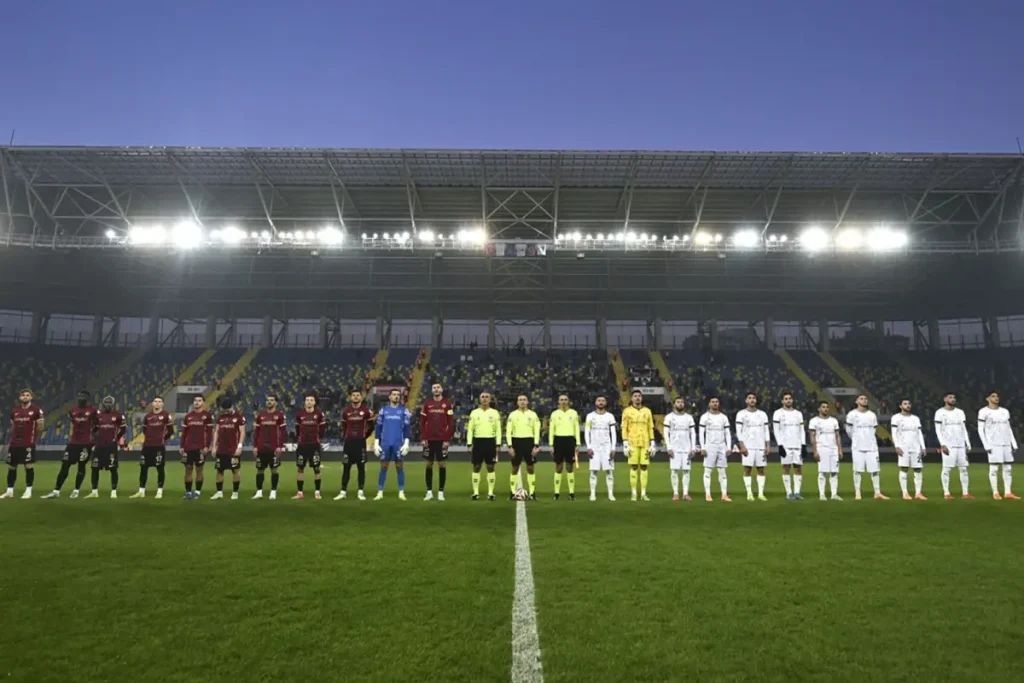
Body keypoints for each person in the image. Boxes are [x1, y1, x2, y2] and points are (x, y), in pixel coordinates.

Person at [43, 390, 97, 499]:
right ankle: (56, 491)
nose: (81, 398)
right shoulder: (72, 410)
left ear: (87, 398)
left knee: (81, 466)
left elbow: (97, 426)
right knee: (65, 465)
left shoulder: (93, 411)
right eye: (79, 396)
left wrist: (93, 441)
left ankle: (76, 490)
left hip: (86, 443)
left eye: (83, 396)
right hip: (73, 443)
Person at [130, 396, 174, 499]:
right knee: (143, 468)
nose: (157, 403)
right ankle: (141, 491)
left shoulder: (166, 416)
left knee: (160, 468)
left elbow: (170, 431)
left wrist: (163, 439)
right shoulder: (148, 416)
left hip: (159, 446)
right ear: (152, 404)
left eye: (159, 401)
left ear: (162, 404)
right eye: (155, 401)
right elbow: (145, 431)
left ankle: (159, 491)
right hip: (147, 446)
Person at [977, 391, 1019, 500]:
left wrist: (1013, 443)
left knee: (1008, 468)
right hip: (993, 444)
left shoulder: (1004, 411)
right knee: (994, 468)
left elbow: (1008, 428)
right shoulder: (983, 412)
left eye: (997, 396)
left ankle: (1008, 492)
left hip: (1005, 443)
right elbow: (980, 429)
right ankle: (995, 492)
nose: (996, 398)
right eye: (993, 396)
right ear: (987, 398)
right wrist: (986, 445)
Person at [845, 395, 888, 500]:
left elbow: (874, 430)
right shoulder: (852, 414)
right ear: (856, 401)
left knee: (875, 470)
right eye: (861, 398)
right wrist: (855, 438)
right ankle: (858, 492)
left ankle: (877, 492)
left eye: (865, 399)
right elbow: (848, 430)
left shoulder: (872, 415)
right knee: (857, 470)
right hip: (857, 446)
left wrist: (869, 439)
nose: (864, 400)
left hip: (871, 447)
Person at [3, 389, 44, 499]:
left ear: (31, 397)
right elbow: (13, 426)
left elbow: (40, 427)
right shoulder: (14, 411)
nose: (25, 397)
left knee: (28, 466)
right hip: (15, 443)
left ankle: (28, 490)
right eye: (23, 395)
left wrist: (34, 438)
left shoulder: (36, 411)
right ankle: (9, 491)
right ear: (20, 397)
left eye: (27, 395)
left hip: (27, 443)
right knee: (12, 467)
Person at [934, 392, 973, 500]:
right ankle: (946, 493)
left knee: (964, 469)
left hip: (960, 445)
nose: (953, 399)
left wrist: (967, 442)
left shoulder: (960, 412)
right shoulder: (939, 413)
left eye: (954, 398)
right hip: (948, 445)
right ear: (945, 399)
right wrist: (942, 444)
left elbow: (963, 428)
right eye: (950, 397)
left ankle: (965, 493)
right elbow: (938, 430)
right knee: (946, 469)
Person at [373, 389, 411, 501]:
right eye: (394, 395)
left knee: (399, 467)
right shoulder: (383, 411)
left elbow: (407, 428)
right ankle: (380, 492)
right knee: (383, 467)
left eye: (398, 395)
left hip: (398, 443)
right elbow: (378, 427)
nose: (396, 397)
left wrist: (407, 442)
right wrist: (376, 442)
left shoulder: (404, 411)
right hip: (385, 443)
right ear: (389, 397)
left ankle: (401, 492)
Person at [420, 383, 455, 501]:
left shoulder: (447, 404)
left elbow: (451, 423)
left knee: (441, 464)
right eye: (434, 387)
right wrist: (423, 438)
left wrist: (447, 439)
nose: (436, 389)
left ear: (442, 389)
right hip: (429, 439)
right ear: (431, 390)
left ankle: (441, 492)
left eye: (438, 387)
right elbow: (422, 422)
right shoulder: (427, 404)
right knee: (429, 464)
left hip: (441, 439)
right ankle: (429, 491)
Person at [336, 389, 373, 501]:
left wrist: (363, 437)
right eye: (354, 395)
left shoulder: (366, 411)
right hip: (349, 443)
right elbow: (343, 426)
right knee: (346, 467)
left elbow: (371, 427)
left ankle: (360, 491)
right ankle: (343, 491)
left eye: (358, 395)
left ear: (361, 397)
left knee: (361, 467)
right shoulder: (346, 411)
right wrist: (347, 436)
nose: (356, 397)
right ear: (350, 397)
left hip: (360, 443)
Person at [87, 397, 125, 499]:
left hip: (111, 446)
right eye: (106, 403)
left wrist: (116, 438)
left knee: (113, 469)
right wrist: (95, 440)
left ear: (113, 404)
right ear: (103, 404)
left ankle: (113, 492)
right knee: (95, 468)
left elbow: (123, 429)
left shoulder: (118, 416)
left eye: (110, 403)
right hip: (99, 446)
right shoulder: (98, 416)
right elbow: (93, 429)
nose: (108, 404)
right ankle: (94, 491)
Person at [736, 392, 771, 501]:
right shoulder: (741, 414)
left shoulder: (763, 414)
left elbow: (766, 430)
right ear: (746, 400)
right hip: (748, 446)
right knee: (747, 469)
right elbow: (738, 431)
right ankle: (749, 493)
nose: (752, 400)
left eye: (754, 398)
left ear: (756, 400)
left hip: (760, 446)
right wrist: (742, 446)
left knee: (761, 469)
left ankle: (760, 493)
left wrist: (768, 445)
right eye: (749, 398)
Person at [505, 394, 541, 500]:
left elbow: (536, 431)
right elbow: (508, 431)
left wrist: (536, 445)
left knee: (530, 467)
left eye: (524, 400)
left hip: (529, 442)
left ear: (528, 402)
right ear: (517, 402)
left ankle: (532, 493)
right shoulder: (512, 415)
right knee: (515, 467)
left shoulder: (533, 415)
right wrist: (510, 446)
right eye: (520, 400)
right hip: (516, 442)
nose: (522, 401)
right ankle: (512, 492)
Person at [252, 394, 287, 500]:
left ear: (276, 402)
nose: (269, 402)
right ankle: (259, 492)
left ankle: (273, 491)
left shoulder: (280, 415)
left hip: (273, 447)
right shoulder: (260, 415)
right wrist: (255, 446)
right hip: (262, 447)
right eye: (268, 400)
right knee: (260, 470)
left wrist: (280, 446)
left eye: (272, 400)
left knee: (274, 470)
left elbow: (283, 432)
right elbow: (256, 432)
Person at [621, 390, 655, 501]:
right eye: (635, 396)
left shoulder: (647, 411)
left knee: (644, 467)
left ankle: (644, 493)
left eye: (639, 396)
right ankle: (634, 493)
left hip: (645, 443)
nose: (637, 398)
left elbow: (650, 427)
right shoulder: (627, 411)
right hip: (632, 443)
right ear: (631, 398)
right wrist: (625, 442)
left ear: (642, 398)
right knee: (634, 466)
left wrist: (652, 442)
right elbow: (624, 428)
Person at [467, 391, 501, 501]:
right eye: (483, 397)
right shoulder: (474, 413)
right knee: (476, 466)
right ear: (479, 399)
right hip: (478, 442)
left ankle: (490, 493)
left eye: (487, 397)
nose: (485, 399)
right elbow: (470, 429)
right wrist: (469, 443)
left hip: (490, 442)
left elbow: (498, 429)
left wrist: (498, 444)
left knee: (490, 467)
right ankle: (476, 492)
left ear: (490, 399)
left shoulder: (495, 413)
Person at [210, 396, 245, 500]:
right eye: (224, 409)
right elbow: (216, 431)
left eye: (227, 409)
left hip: (233, 449)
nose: (226, 411)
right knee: (219, 470)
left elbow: (242, 432)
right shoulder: (220, 417)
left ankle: (235, 493)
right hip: (221, 448)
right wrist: (214, 446)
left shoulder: (239, 417)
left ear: (232, 407)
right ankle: (219, 492)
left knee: (235, 470)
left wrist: (239, 446)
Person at [891, 399, 927, 500]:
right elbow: (894, 433)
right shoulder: (896, 418)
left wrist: (923, 447)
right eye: (905, 404)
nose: (908, 405)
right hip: (903, 447)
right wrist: (897, 446)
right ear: (900, 406)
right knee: (904, 468)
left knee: (918, 469)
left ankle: (918, 493)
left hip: (915, 447)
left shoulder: (915, 418)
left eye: (909, 404)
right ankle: (905, 493)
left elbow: (919, 433)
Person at [772, 392, 806, 500]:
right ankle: (789, 492)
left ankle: (797, 492)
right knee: (786, 468)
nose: (788, 400)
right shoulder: (778, 413)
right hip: (785, 445)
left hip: (797, 445)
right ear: (782, 401)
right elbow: (776, 430)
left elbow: (802, 430)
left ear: (792, 400)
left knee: (798, 468)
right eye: (786, 399)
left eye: (790, 398)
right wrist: (780, 445)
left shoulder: (798, 413)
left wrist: (804, 444)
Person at [179, 394, 214, 500]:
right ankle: (188, 492)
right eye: (195, 400)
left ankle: (197, 491)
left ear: (203, 402)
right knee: (188, 469)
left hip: (200, 447)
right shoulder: (188, 416)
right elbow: (184, 432)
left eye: (199, 400)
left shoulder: (207, 416)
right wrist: (181, 446)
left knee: (199, 469)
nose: (197, 402)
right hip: (188, 447)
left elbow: (209, 433)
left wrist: (207, 446)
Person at [584, 395, 617, 501]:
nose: (601, 402)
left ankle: (610, 494)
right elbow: (587, 432)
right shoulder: (590, 416)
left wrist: (613, 448)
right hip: (594, 447)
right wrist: (588, 447)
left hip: (607, 447)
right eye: (599, 400)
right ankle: (592, 494)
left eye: (603, 400)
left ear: (606, 403)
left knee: (609, 471)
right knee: (593, 471)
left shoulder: (610, 416)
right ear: (595, 402)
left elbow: (613, 433)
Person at [293, 394, 326, 500]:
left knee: (316, 469)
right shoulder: (299, 415)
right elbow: (297, 430)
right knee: (300, 468)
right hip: (302, 445)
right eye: (307, 400)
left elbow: (322, 430)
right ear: (304, 402)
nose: (309, 402)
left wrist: (317, 439)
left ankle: (317, 492)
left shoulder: (319, 414)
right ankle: (299, 492)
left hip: (314, 445)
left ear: (314, 402)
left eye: (311, 400)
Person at [663, 396, 696, 502]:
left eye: (682, 402)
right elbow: (665, 433)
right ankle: (676, 493)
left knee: (686, 471)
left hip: (687, 448)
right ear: (674, 404)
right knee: (674, 470)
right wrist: (668, 447)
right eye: (678, 402)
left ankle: (685, 493)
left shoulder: (689, 417)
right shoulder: (669, 417)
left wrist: (693, 448)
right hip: (675, 448)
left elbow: (693, 433)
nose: (680, 404)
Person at [549, 394, 582, 500]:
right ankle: (556, 493)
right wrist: (551, 444)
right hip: (558, 440)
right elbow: (551, 430)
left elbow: (576, 428)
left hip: (570, 440)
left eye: (565, 400)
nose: (563, 401)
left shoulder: (573, 413)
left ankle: (571, 493)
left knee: (569, 467)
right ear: (558, 402)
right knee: (558, 466)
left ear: (568, 401)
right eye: (561, 400)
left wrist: (578, 443)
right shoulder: (554, 414)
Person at [699, 396, 732, 502]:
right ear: (709, 404)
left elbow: (727, 433)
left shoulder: (724, 417)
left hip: (722, 446)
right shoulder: (704, 417)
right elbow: (701, 433)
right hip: (710, 446)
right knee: (707, 471)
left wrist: (729, 447)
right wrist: (702, 447)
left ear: (719, 404)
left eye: (716, 402)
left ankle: (724, 494)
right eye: (712, 402)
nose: (715, 403)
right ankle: (708, 494)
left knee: (722, 472)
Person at [809, 400, 842, 500]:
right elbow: (812, 437)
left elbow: (837, 436)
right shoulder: (814, 421)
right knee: (822, 472)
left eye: (827, 407)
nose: (825, 409)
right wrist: (815, 451)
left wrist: (839, 450)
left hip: (833, 448)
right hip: (821, 448)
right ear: (819, 409)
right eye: (823, 407)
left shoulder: (834, 421)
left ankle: (834, 494)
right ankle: (822, 494)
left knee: (834, 472)